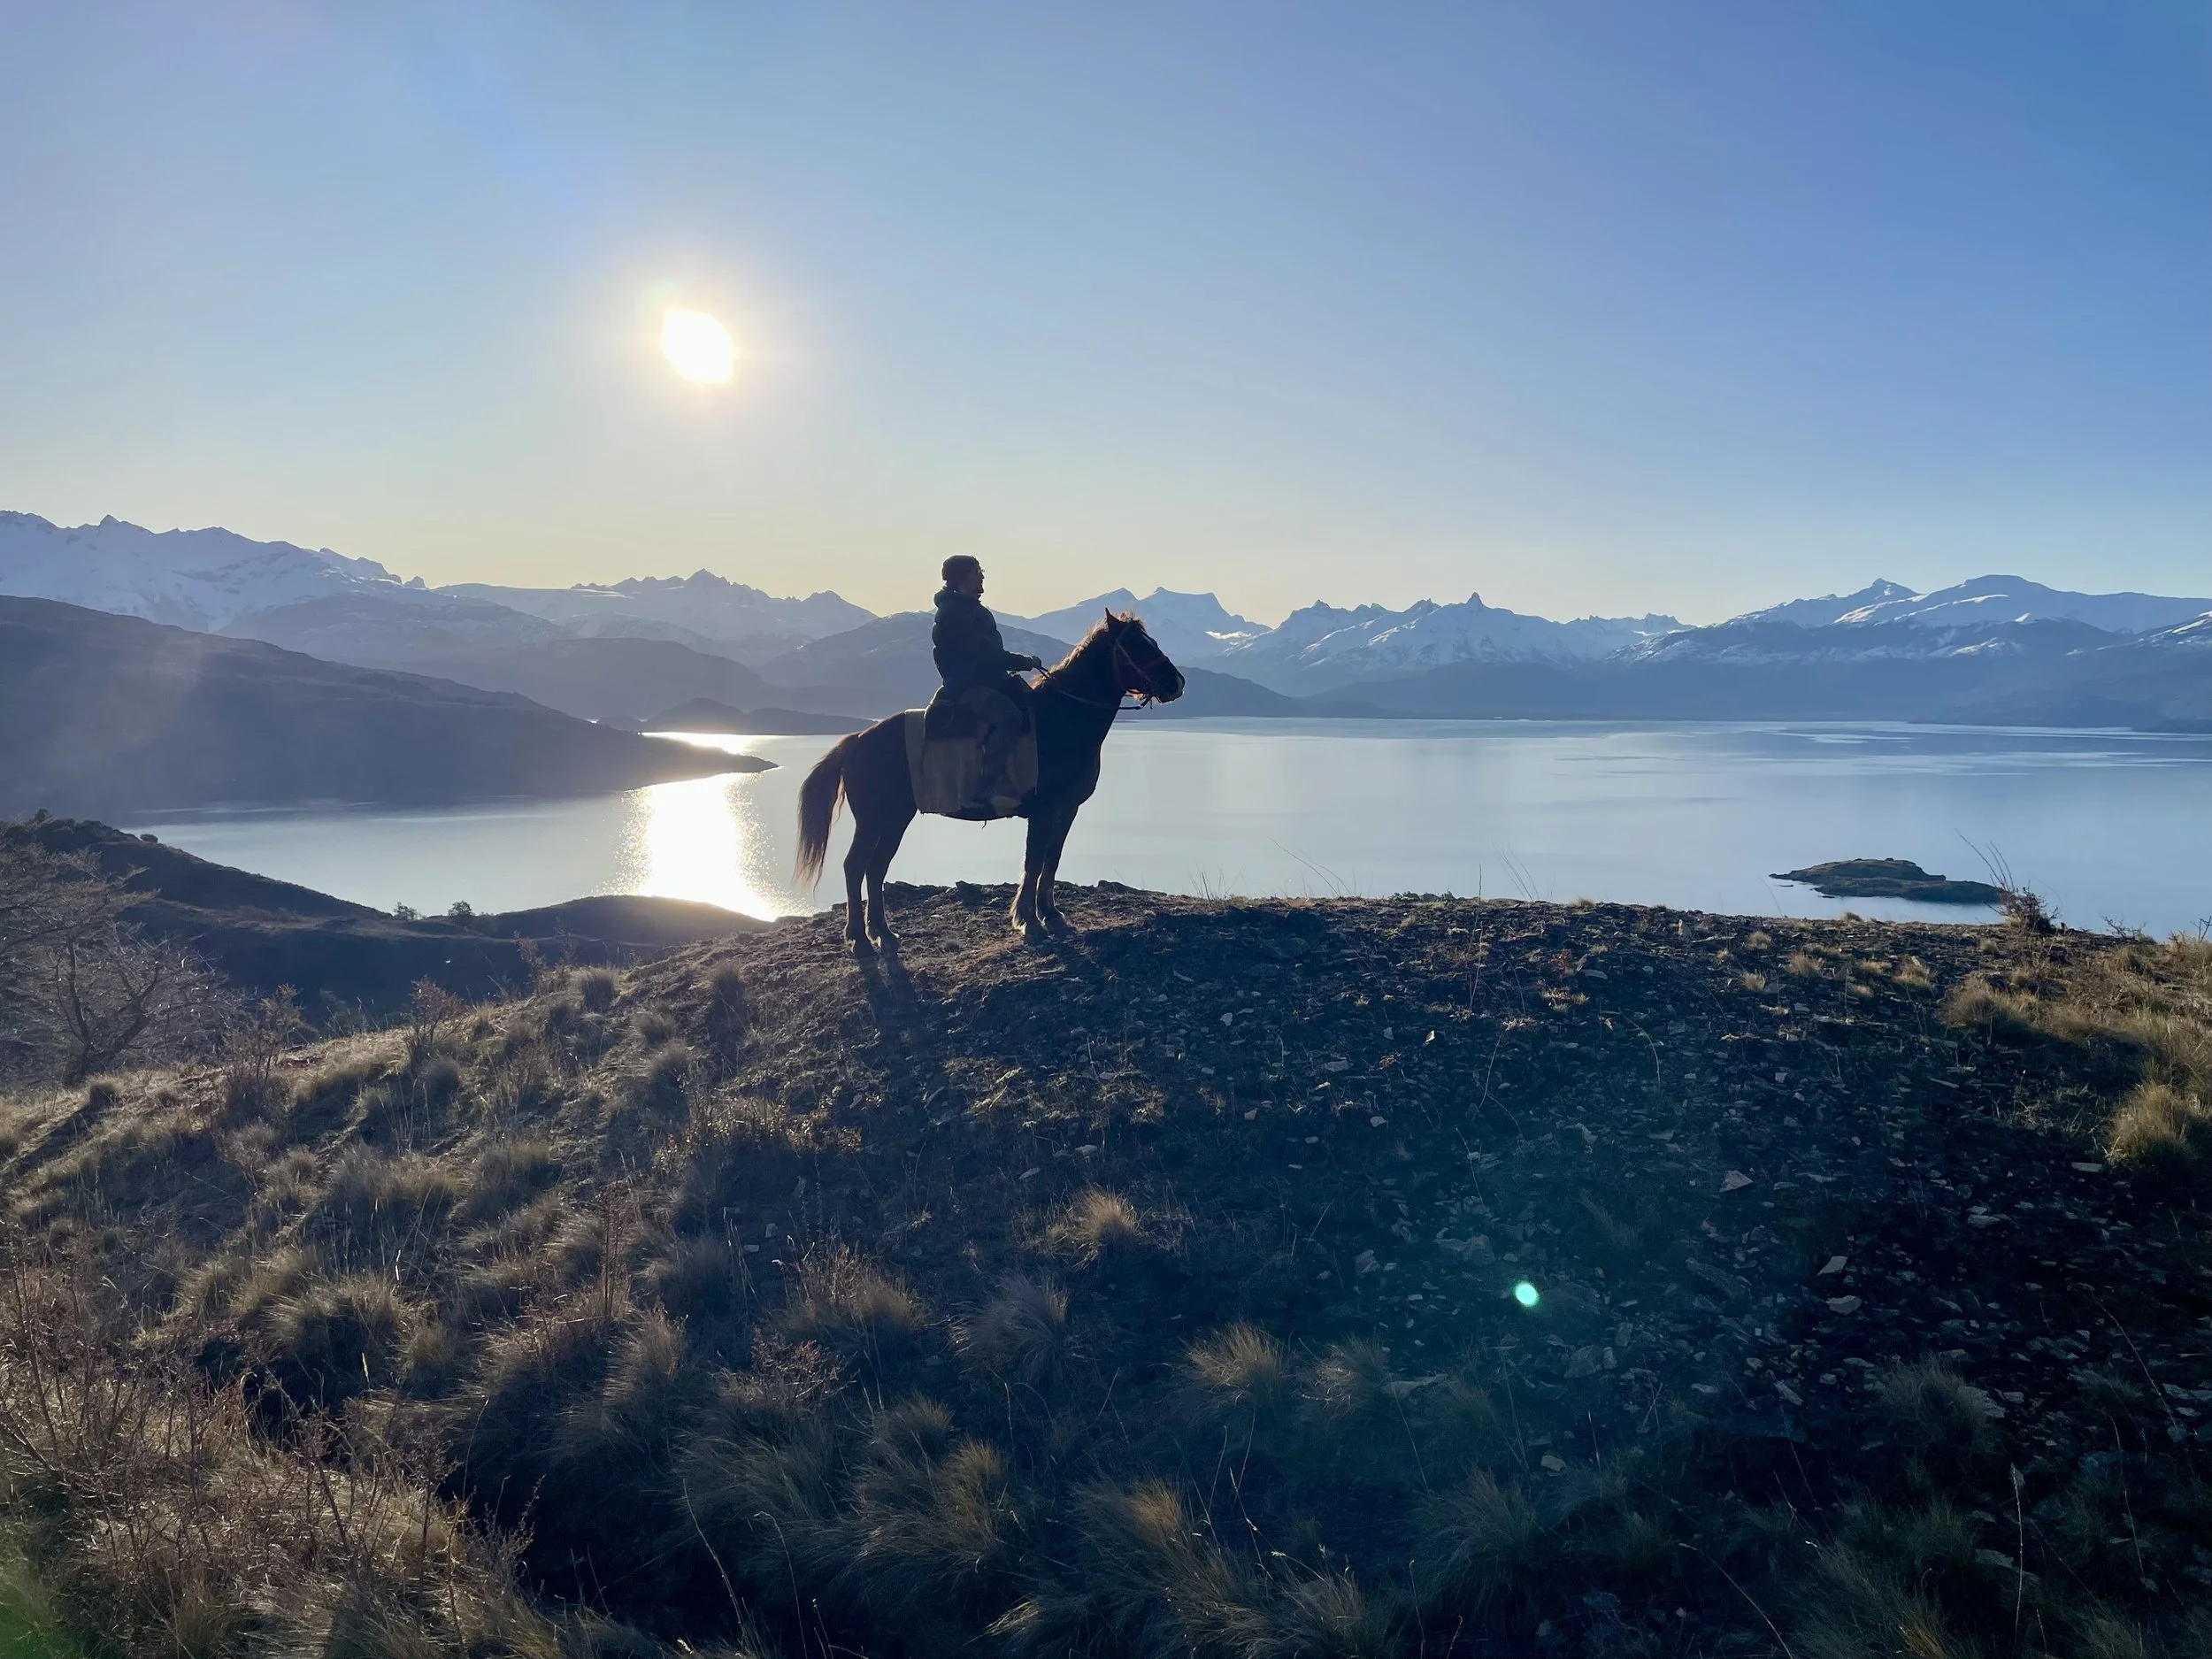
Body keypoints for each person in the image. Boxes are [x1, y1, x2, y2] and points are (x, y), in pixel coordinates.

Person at [932, 555, 1044, 808]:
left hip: (987, 682)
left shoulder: (969, 609)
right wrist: (1026, 662)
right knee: (1010, 718)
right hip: (969, 687)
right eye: (976, 571)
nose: (982, 576)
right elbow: (986, 655)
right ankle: (987, 783)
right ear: (961, 577)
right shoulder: (955, 614)